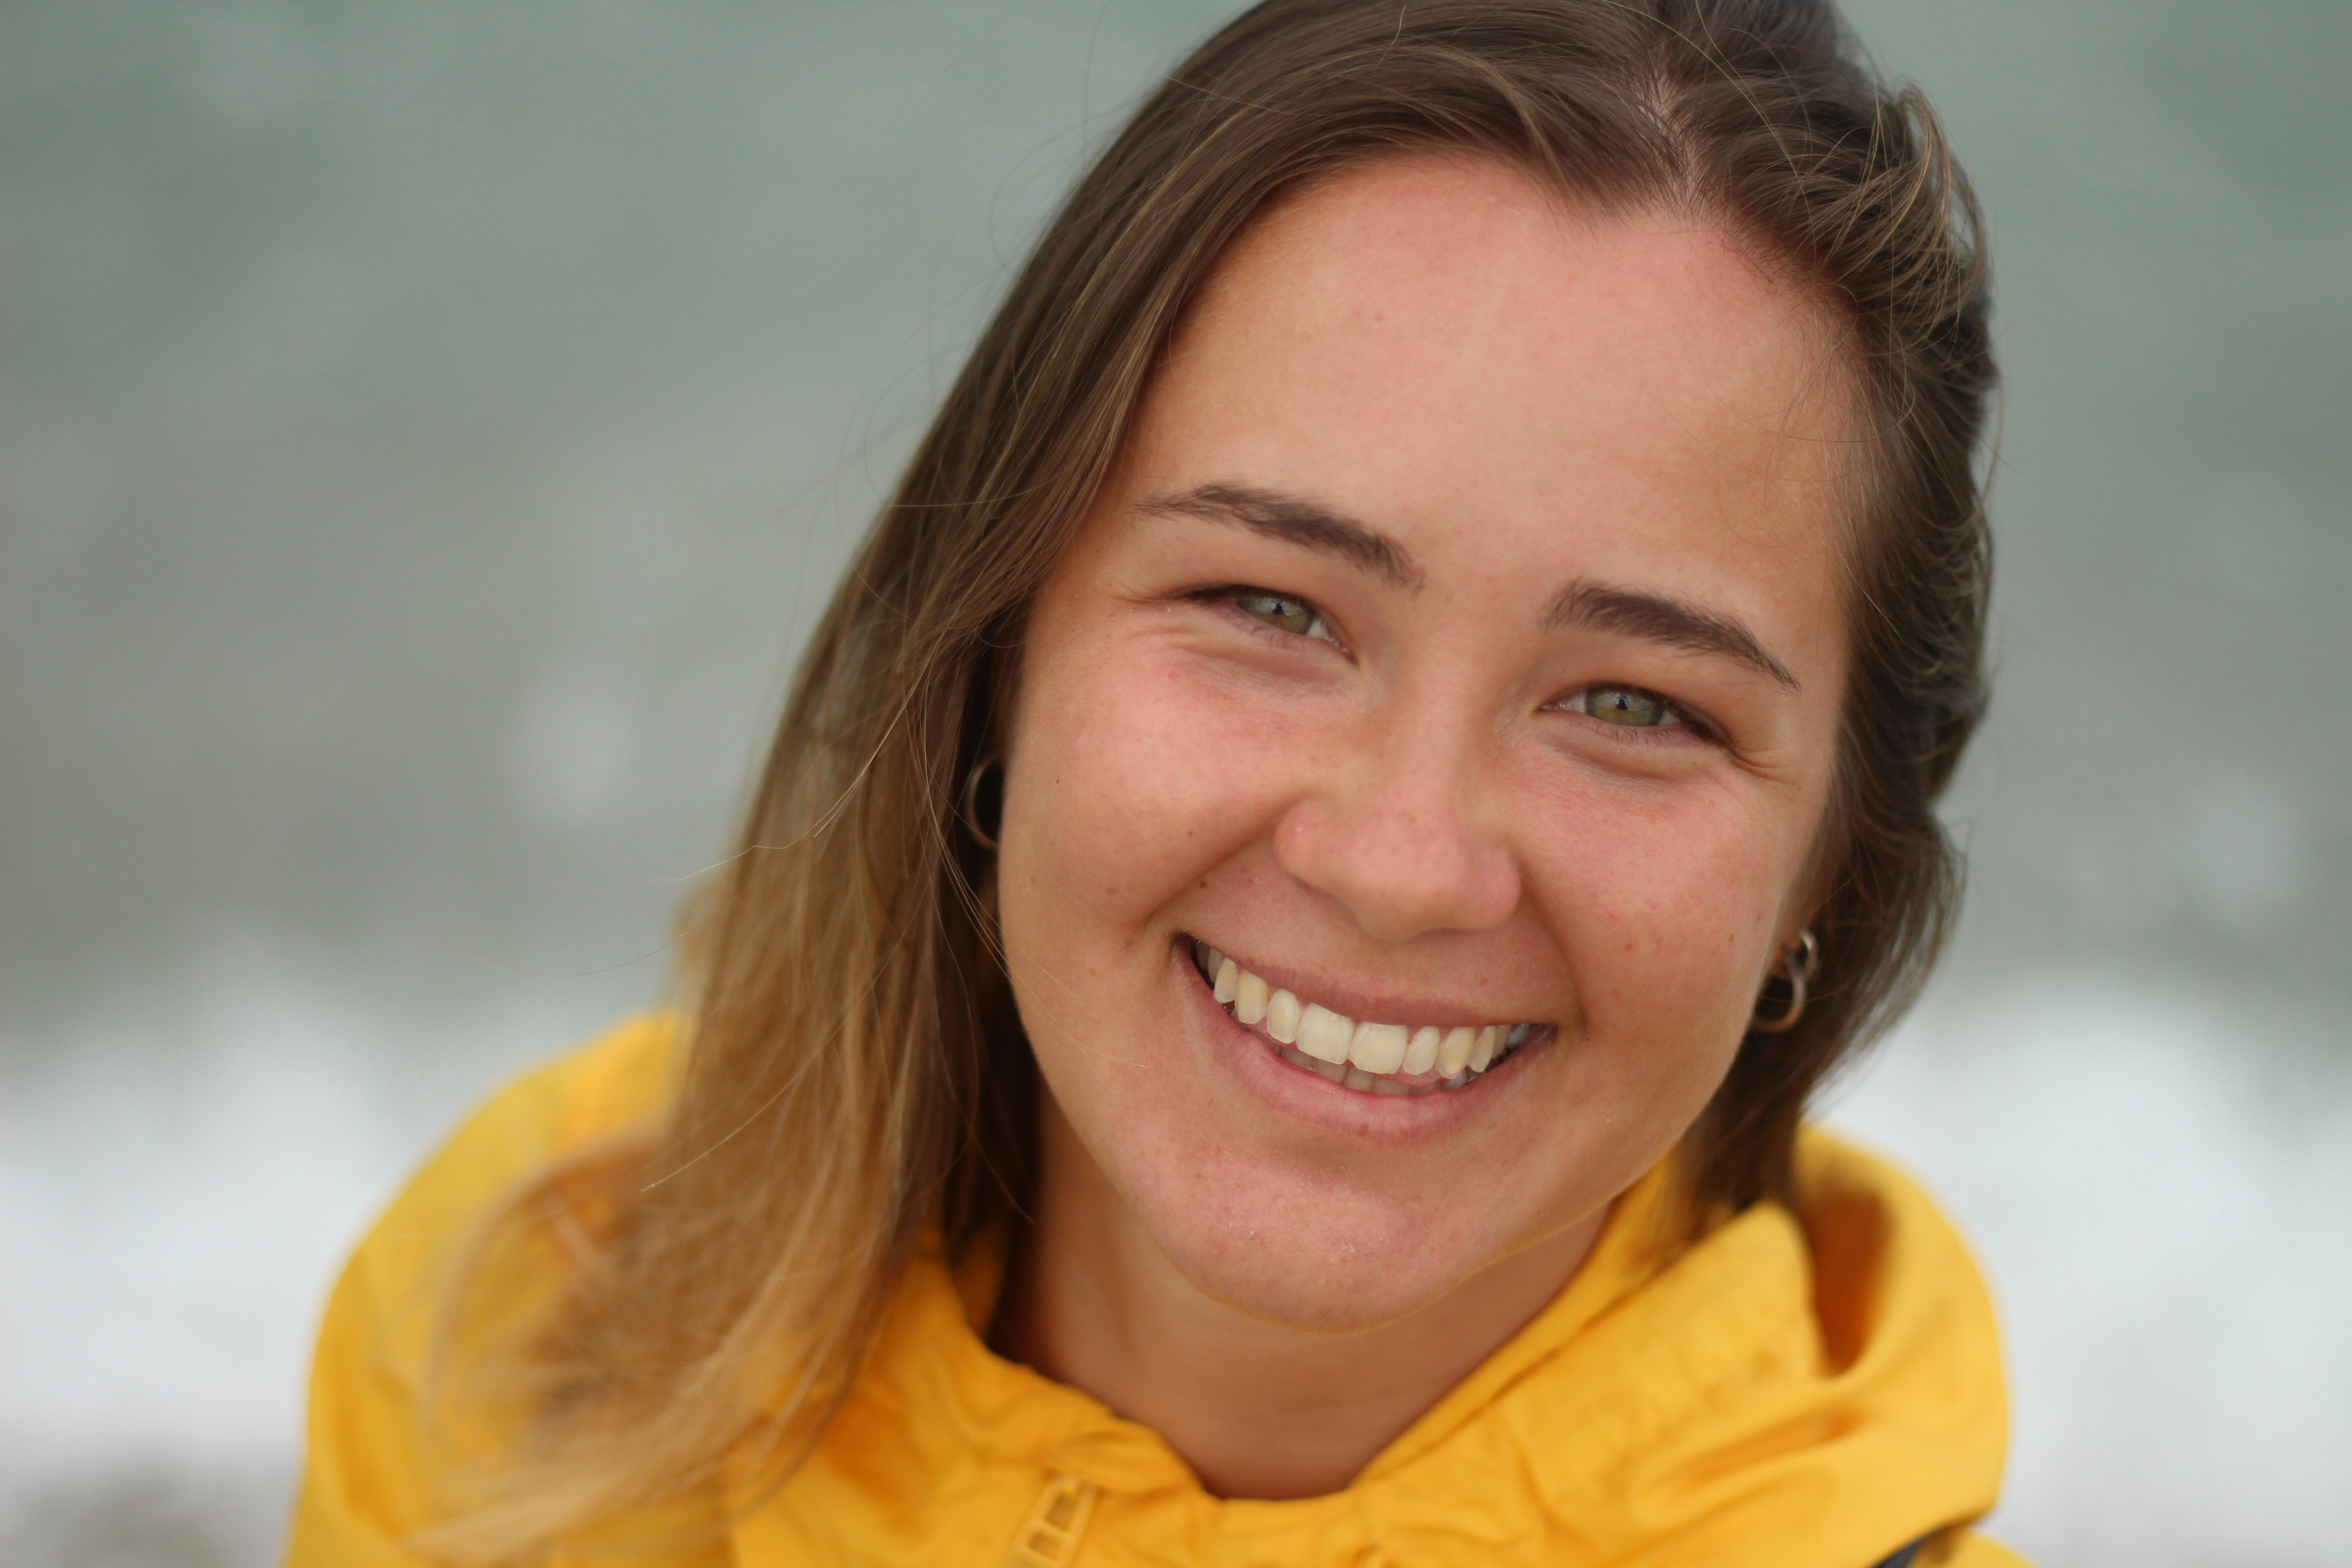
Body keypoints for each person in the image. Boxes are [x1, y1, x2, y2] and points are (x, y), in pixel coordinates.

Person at [287, 1, 2019, 1563]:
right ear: (999, 652)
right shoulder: (532, 1311)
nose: (1401, 863)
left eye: (1636, 706)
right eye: (1272, 609)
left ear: (1830, 866)